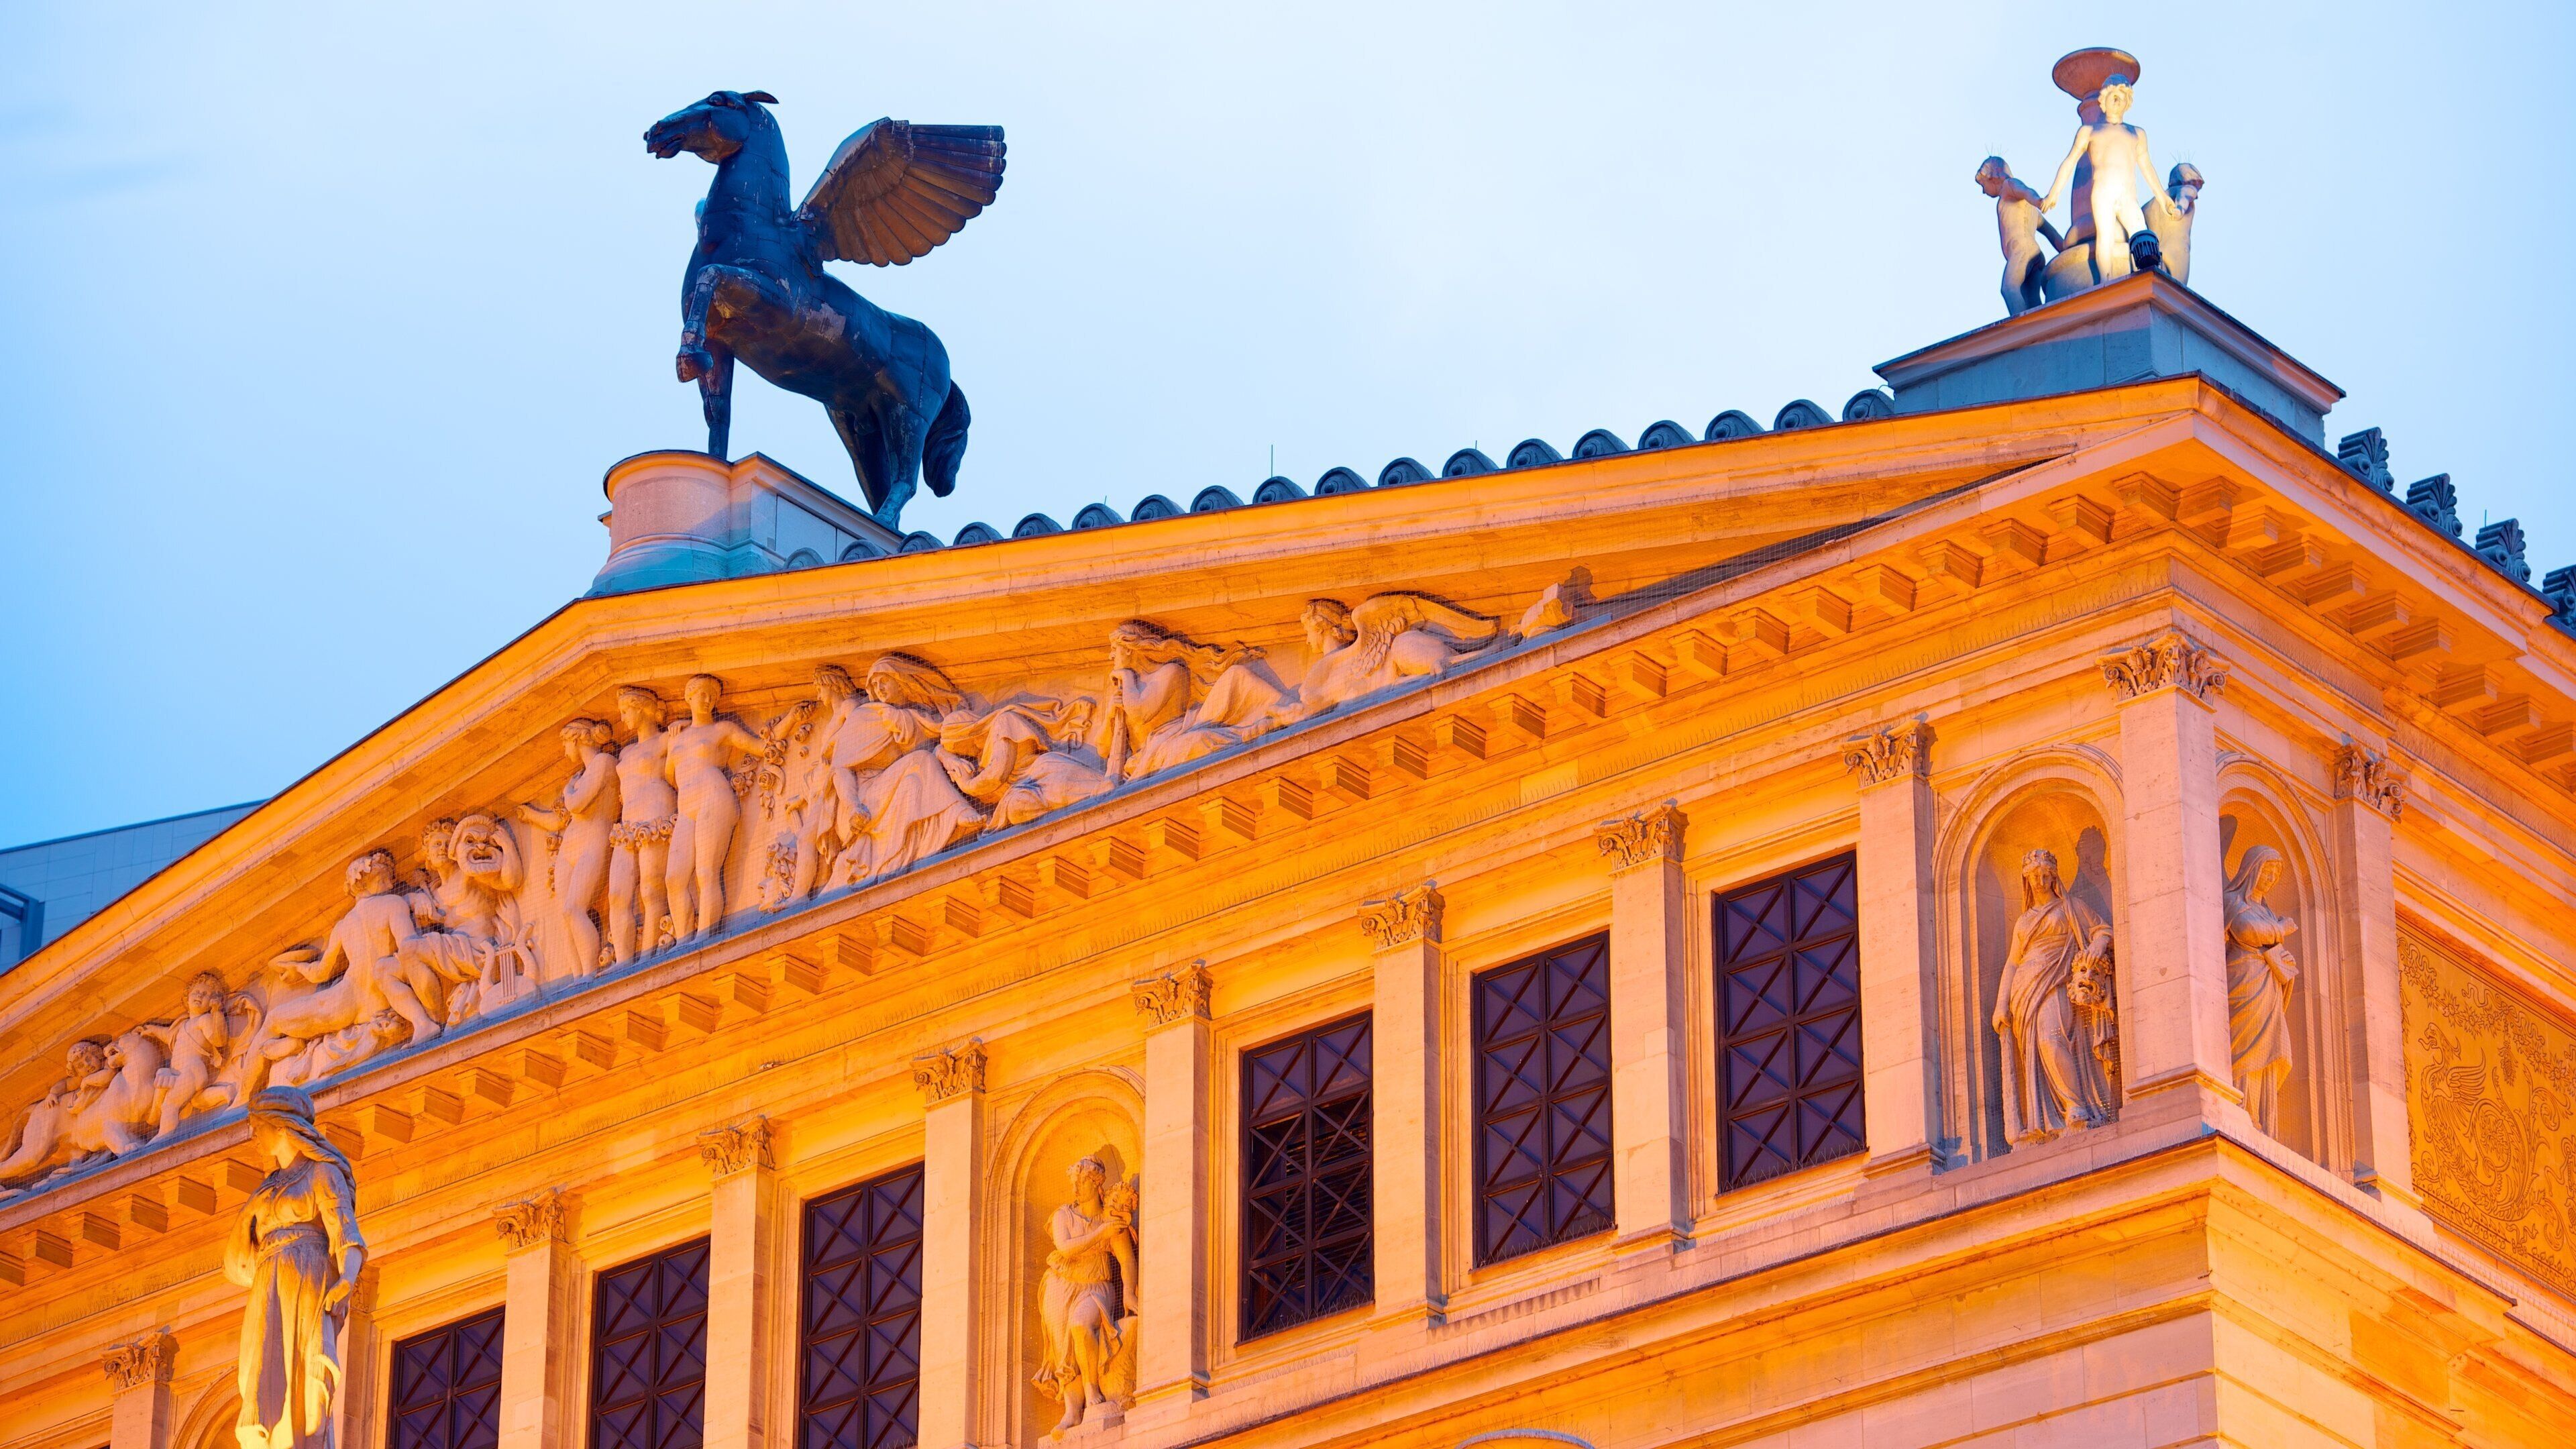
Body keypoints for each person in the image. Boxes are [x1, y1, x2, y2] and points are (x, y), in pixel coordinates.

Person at [226, 1086, 366, 1449]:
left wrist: (347, 1279)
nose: (254, 1137)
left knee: (306, 1368)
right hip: (267, 1280)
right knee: (258, 1372)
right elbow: (237, 1261)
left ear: (280, 1126)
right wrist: (246, 1219)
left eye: (258, 1128)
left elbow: (345, 1233)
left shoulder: (322, 1173)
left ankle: (304, 1440)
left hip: (308, 1274)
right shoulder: (265, 1188)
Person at [1992, 847, 2119, 1142]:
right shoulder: (2023, 921)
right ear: (2027, 880)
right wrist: (2001, 1004)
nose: (2040, 881)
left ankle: (2077, 1106)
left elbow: (2102, 931)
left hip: (2056, 982)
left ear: (2053, 877)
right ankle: (2053, 1119)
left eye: (2045, 875)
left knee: (2052, 1040)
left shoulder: (2070, 907)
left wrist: (2097, 946)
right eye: (2035, 876)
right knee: (2036, 1051)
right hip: (2024, 991)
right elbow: (2013, 962)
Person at [661, 676, 771, 943]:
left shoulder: (722, 729)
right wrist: (681, 726)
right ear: (688, 697)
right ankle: (685, 943)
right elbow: (668, 778)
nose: (708, 699)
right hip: (686, 804)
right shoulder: (675, 738)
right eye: (702, 694)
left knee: (706, 873)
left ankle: (703, 940)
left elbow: (759, 747)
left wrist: (791, 719)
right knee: (674, 879)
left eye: (712, 695)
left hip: (714, 795)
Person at [1036, 1157, 1138, 1433]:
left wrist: (1129, 1291)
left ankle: (1093, 1389)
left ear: (1096, 1184)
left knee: (1081, 1325)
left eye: (1081, 1182)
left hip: (1096, 1287)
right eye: (1074, 1183)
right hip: (1061, 1284)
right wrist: (1101, 1233)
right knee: (1062, 1349)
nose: (1076, 1188)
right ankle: (1071, 1410)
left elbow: (1127, 1261)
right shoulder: (1063, 1215)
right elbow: (1066, 1248)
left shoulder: (1110, 1218)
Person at [518, 718, 620, 974]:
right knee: (565, 916)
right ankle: (577, 979)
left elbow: (576, 804)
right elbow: (561, 819)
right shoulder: (580, 776)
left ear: (577, 739)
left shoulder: (604, 764)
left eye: (565, 744)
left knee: (575, 909)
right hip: (570, 847)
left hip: (593, 842)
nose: (564, 751)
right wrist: (530, 816)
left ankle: (589, 974)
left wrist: (568, 788)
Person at [2039, 73, 2160, 284]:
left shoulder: (2136, 133)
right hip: (2103, 192)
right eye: (2113, 96)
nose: (2117, 101)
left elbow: (2147, 167)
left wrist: (2163, 198)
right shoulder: (2089, 131)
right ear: (2103, 101)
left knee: (2141, 232)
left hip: (2128, 195)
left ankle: (2150, 277)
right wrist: (2054, 193)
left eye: (2122, 98)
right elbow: (2069, 162)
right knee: (2105, 236)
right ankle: (2106, 282)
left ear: (2128, 103)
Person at [2221, 845, 2299, 1135]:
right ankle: (2240, 1108)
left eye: (2275, 874)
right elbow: (2244, 930)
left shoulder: (2265, 911)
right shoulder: (2232, 901)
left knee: (2266, 1050)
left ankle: (2259, 1117)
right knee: (2242, 1047)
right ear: (2252, 870)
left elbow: (2269, 943)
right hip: (2243, 980)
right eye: (2266, 871)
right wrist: (2281, 929)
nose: (2270, 878)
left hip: (2267, 986)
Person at [606, 686, 678, 961]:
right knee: (617, 894)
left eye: (626, 711)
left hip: (656, 811)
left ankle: (647, 956)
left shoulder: (666, 741)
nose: (623, 719)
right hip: (627, 823)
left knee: (651, 887)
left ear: (642, 709)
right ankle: (625, 961)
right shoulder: (624, 754)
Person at [140, 971, 239, 1138]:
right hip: (184, 1074)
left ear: (212, 1001)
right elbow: (168, 1036)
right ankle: (225, 1092)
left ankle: (163, 1137)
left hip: (192, 1069)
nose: (200, 996)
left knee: (170, 1105)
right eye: (196, 992)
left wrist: (217, 1013)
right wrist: (152, 1031)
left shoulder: (204, 1020)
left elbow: (219, 1040)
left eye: (206, 994)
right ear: (186, 998)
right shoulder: (183, 1025)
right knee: (196, 1100)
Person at [1975, 157, 2063, 315]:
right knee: (2032, 300)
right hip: (2035, 254)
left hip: (2021, 251)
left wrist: (2038, 201)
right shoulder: (2028, 209)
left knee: (2009, 288)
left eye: (1983, 185)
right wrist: (2065, 248)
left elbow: (2025, 190)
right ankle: (2041, 332)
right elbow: (2051, 233)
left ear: (1992, 177)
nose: (1983, 191)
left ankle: (2023, 331)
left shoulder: (2009, 187)